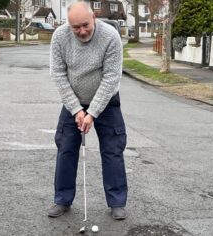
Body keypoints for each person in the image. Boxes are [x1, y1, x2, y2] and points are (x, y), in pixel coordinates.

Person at [47, 1, 128, 220]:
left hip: (106, 102)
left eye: (85, 25)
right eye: (76, 27)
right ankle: (62, 200)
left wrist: (92, 113)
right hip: (73, 101)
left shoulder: (110, 36)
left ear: (94, 17)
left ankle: (117, 202)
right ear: (68, 24)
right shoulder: (60, 37)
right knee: (66, 147)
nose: (82, 31)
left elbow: (111, 77)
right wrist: (76, 110)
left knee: (113, 149)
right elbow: (58, 75)